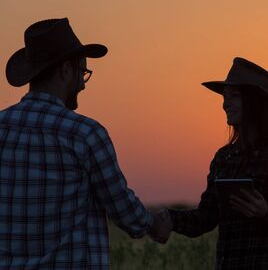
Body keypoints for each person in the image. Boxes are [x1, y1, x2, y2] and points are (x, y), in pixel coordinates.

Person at [0, 18, 169, 269]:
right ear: (66, 70)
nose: (82, 84)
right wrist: (156, 225)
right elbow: (123, 210)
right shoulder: (85, 134)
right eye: (83, 73)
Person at [152, 57, 268, 269]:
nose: (225, 104)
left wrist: (266, 212)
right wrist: (170, 219)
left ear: (255, 103)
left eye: (234, 96)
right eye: (225, 97)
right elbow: (205, 217)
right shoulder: (223, 158)